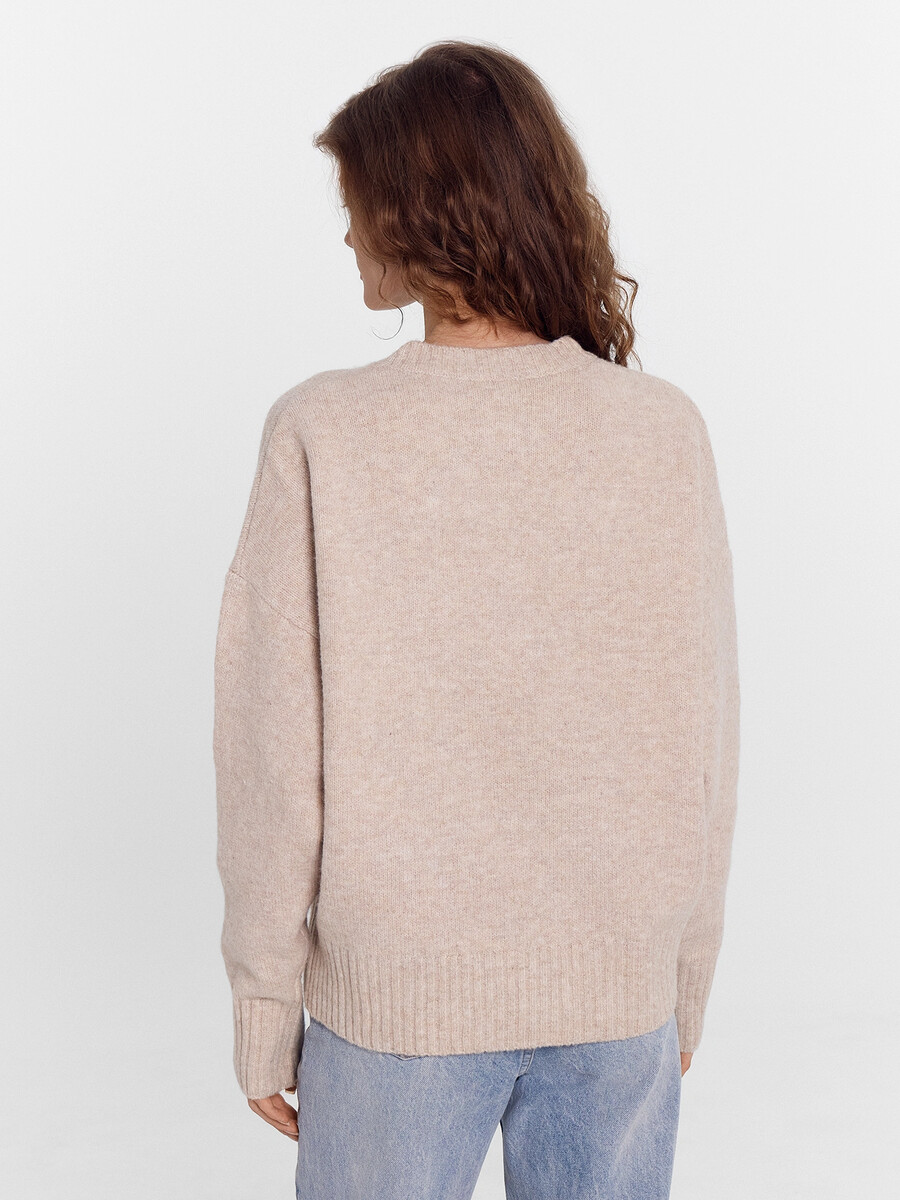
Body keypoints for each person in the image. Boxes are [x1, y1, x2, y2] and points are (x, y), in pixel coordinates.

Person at [213, 38, 740, 1200]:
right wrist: (682, 978)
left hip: (400, 1002)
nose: (346, 235)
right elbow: (705, 739)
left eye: (355, 203)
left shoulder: (326, 431)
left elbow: (271, 758)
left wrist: (263, 1003)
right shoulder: (661, 429)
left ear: (418, 212)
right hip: (618, 992)